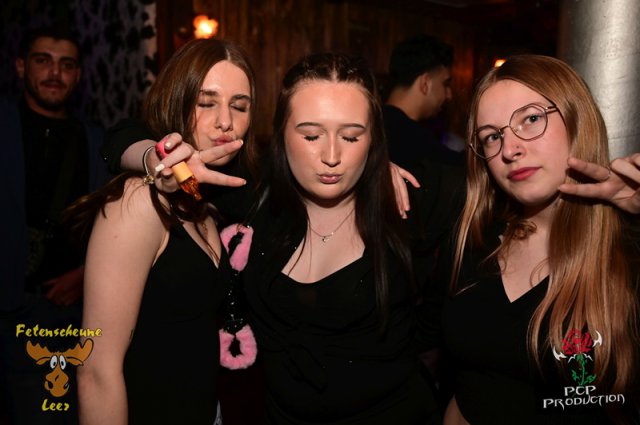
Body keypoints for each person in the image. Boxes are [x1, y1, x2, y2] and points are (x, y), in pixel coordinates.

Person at [438, 54, 640, 425]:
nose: (509, 150)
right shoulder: (472, 238)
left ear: (576, 118)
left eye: (531, 119)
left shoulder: (628, 252)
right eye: (492, 136)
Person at [73, 38, 251, 425]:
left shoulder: (210, 203)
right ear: (176, 100)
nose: (226, 120)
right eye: (206, 103)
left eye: (239, 106)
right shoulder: (139, 199)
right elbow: (96, 371)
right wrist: (157, 159)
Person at [0, 26, 109, 425]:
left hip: (61, 309)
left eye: (66, 65)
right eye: (43, 61)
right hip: (6, 299)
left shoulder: (95, 140)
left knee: (53, 411)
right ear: (21, 66)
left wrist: (84, 274)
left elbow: (108, 223)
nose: (54, 73)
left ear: (77, 75)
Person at [384, 33, 462, 168]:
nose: (449, 95)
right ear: (425, 83)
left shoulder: (371, 122)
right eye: (445, 84)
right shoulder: (414, 140)